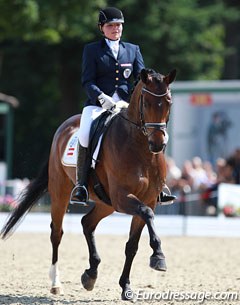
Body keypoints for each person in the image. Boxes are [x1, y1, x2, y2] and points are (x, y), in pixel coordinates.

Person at [70, 7, 176, 205]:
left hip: (125, 104)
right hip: (99, 104)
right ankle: (82, 185)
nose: (115, 29)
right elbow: (87, 81)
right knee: (84, 134)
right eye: (110, 25)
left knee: (157, 132)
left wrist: (155, 80)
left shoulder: (133, 49)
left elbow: (142, 76)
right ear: (102, 28)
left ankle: (159, 185)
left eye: (118, 25)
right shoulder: (92, 50)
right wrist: (101, 97)